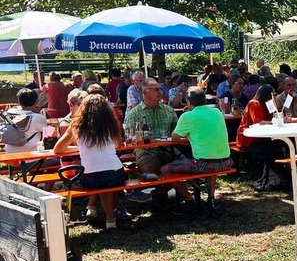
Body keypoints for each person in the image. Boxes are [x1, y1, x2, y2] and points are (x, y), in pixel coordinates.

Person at [53, 94, 127, 229]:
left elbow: (58, 149)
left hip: (90, 177)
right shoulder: (111, 125)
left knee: (101, 179)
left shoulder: (76, 126)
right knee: (106, 180)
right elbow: (118, 145)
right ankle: (111, 217)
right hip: (116, 174)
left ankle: (103, 213)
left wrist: (81, 147)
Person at [160, 87, 232, 214]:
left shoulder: (187, 116)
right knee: (211, 160)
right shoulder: (217, 112)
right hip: (226, 162)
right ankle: (211, 198)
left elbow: (174, 137)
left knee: (164, 170)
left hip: (204, 164)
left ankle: (189, 200)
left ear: (188, 102)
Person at [124, 78, 178, 188]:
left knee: (186, 165)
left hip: (169, 149)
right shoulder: (134, 113)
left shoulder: (169, 110)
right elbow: (130, 138)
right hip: (146, 151)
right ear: (145, 92)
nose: (160, 92)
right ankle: (161, 197)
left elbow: (176, 132)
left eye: (160, 89)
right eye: (156, 90)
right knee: (151, 172)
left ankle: (167, 196)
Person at [4, 88, 48, 154]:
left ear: (19, 101)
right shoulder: (38, 117)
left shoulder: (9, 113)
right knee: (57, 158)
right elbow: (48, 133)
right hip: (30, 158)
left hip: (9, 154)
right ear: (36, 102)